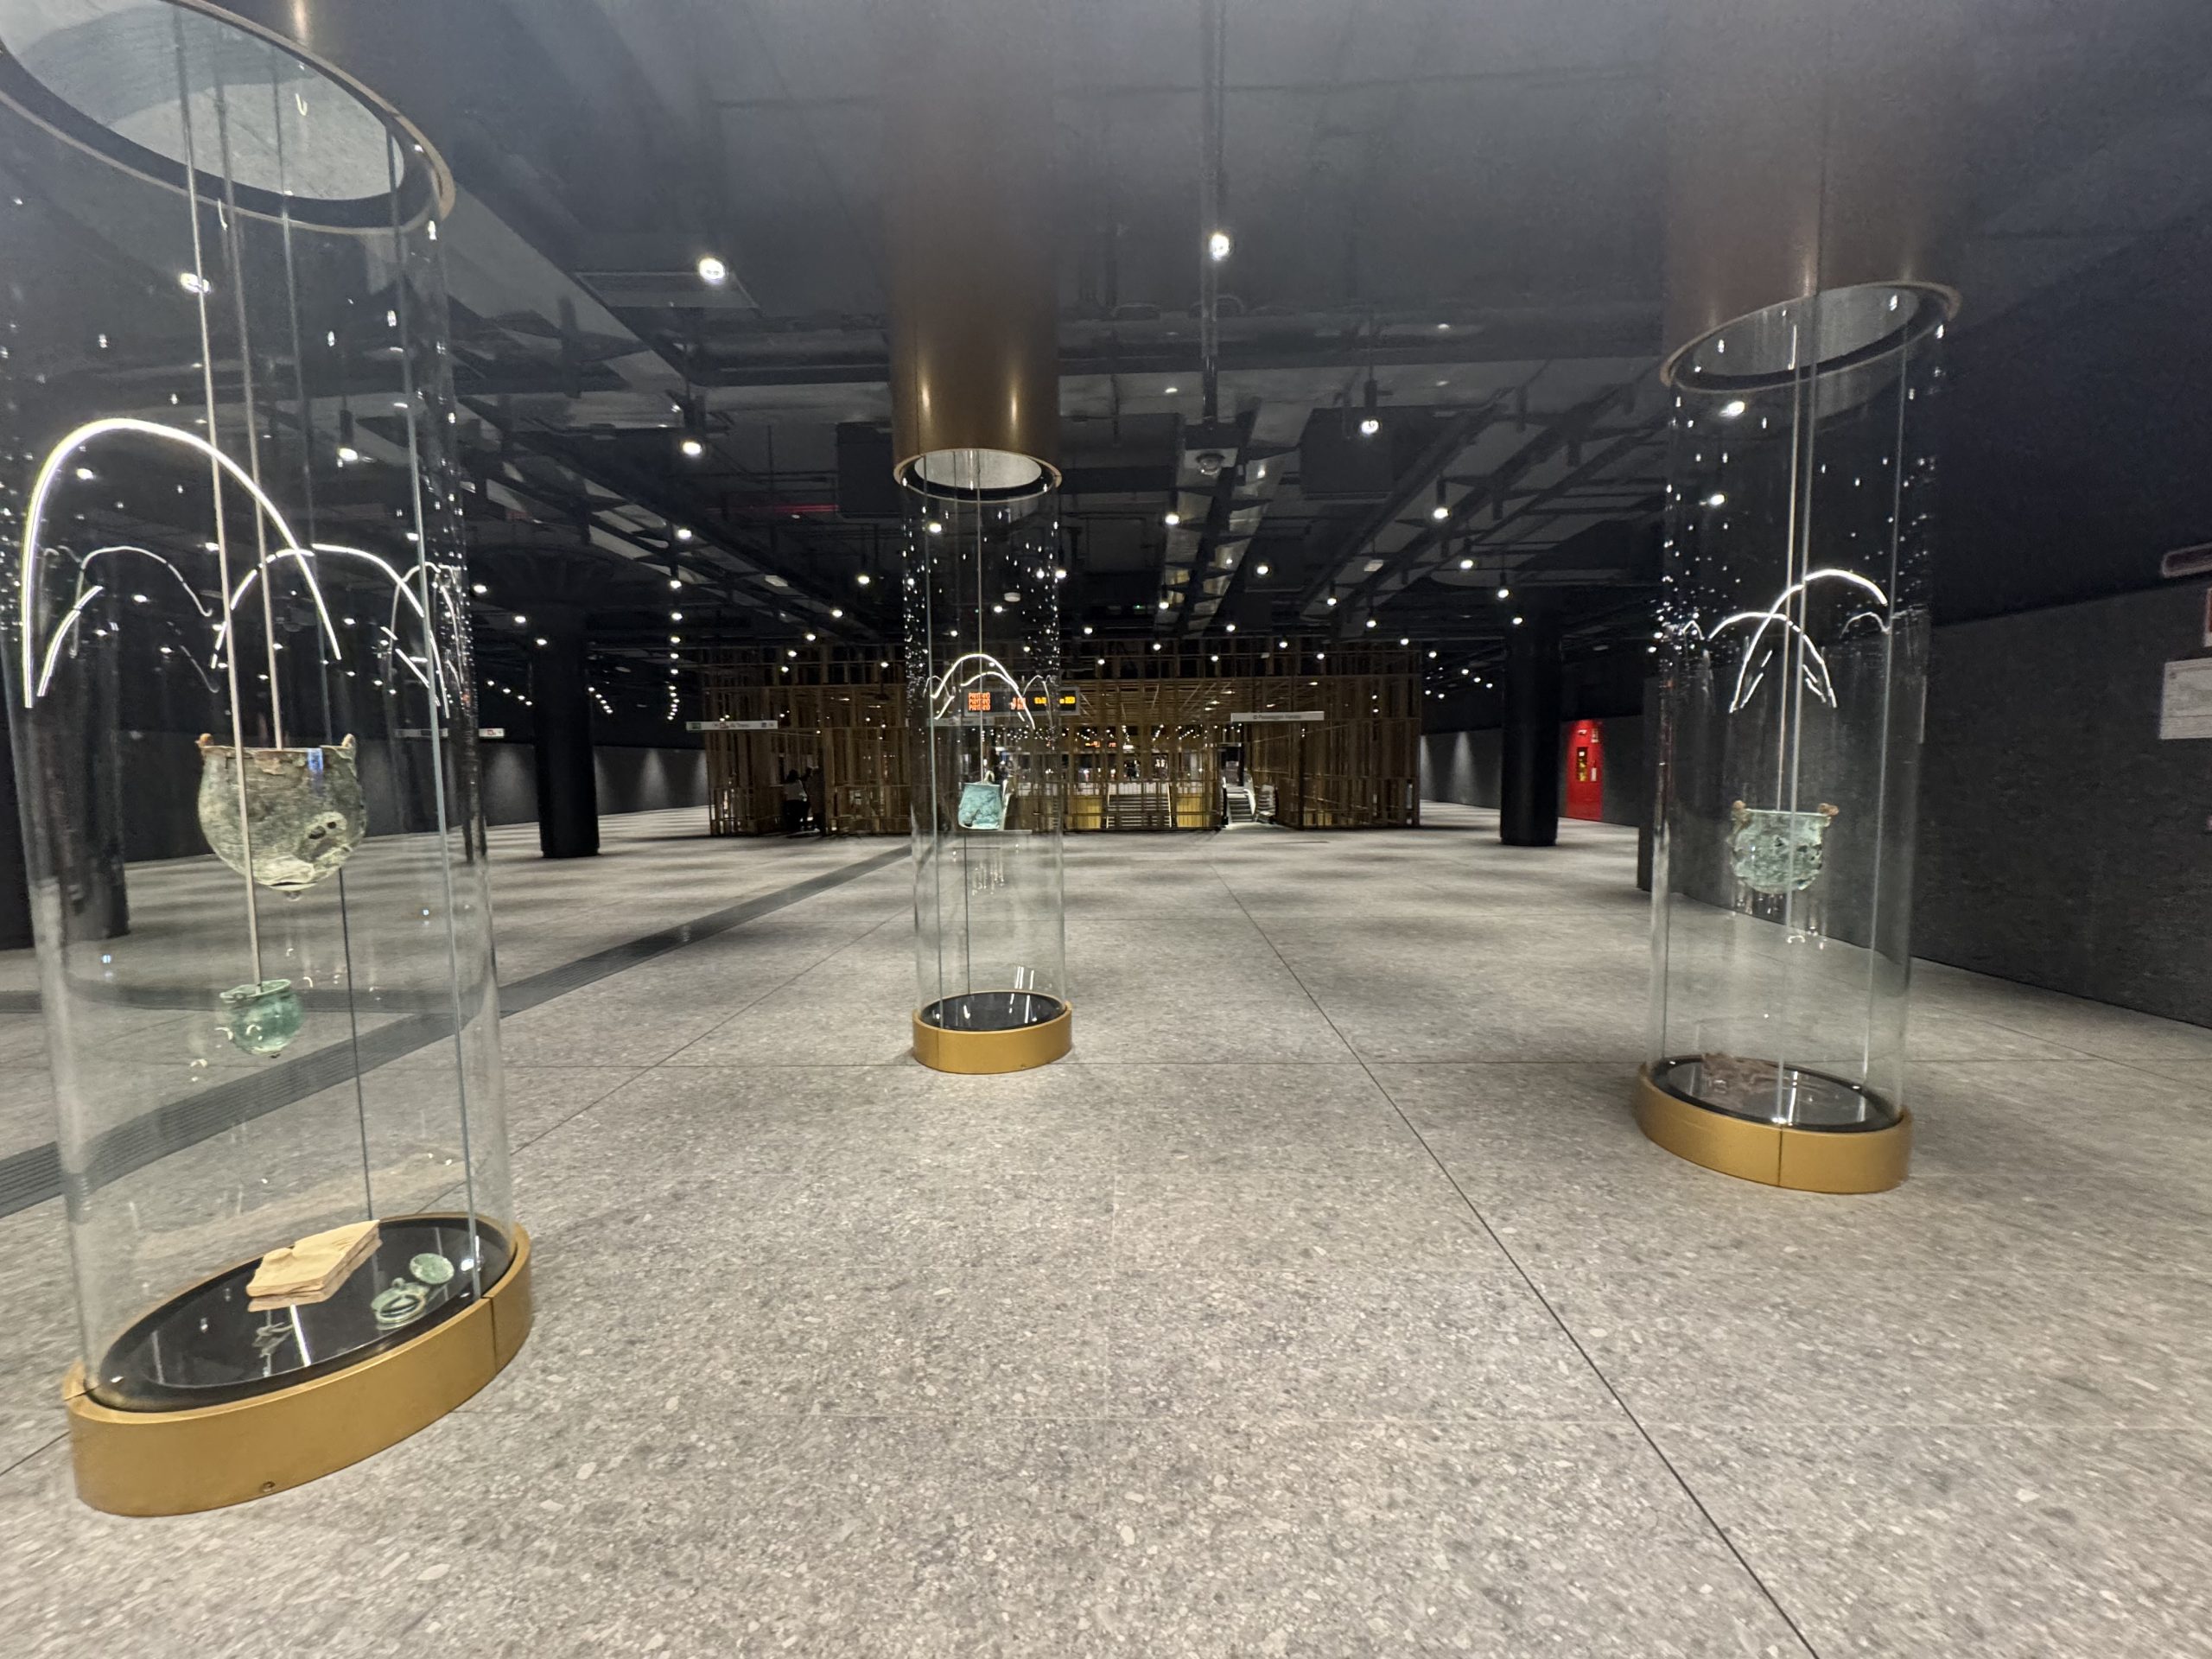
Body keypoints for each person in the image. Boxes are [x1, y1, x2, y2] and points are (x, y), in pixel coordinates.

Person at [803, 761, 827, 836]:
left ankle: (816, 825)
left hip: (813, 797)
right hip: (821, 796)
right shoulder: (822, 779)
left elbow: (807, 788)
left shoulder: (810, 779)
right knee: (822, 811)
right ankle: (822, 825)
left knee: (815, 811)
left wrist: (810, 794)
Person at [780, 767, 805, 835]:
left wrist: (784, 800)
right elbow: (801, 790)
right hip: (798, 799)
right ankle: (797, 826)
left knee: (792, 814)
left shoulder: (786, 783)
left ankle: (792, 827)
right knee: (798, 814)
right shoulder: (798, 782)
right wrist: (803, 797)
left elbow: (785, 792)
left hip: (789, 800)